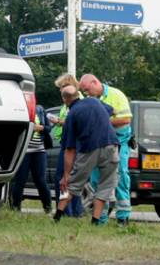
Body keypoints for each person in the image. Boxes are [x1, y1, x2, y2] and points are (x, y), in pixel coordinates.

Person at [54, 85, 119, 225]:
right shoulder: (94, 101)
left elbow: (69, 150)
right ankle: (95, 221)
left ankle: (57, 217)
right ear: (78, 94)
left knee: (71, 184)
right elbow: (113, 110)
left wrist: (65, 176)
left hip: (89, 149)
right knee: (106, 186)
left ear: (65, 99)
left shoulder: (71, 115)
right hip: (111, 145)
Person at [79, 74, 133, 225]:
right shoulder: (89, 100)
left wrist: (102, 121)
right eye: (84, 91)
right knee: (97, 180)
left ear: (95, 82)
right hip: (98, 144)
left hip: (119, 143)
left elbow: (126, 119)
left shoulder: (116, 95)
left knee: (121, 176)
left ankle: (123, 216)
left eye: (88, 90)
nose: (86, 94)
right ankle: (100, 217)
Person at [10, 101, 52, 212]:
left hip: (39, 150)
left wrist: (40, 128)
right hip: (24, 151)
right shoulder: (19, 111)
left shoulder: (40, 110)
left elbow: (48, 128)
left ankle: (48, 208)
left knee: (40, 180)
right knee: (20, 180)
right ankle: (15, 208)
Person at [46, 73, 78, 215]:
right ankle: (73, 211)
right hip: (65, 141)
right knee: (69, 178)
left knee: (64, 178)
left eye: (62, 87)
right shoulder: (67, 103)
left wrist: (58, 121)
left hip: (71, 143)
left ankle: (67, 211)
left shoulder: (76, 101)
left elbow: (74, 122)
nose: (60, 90)